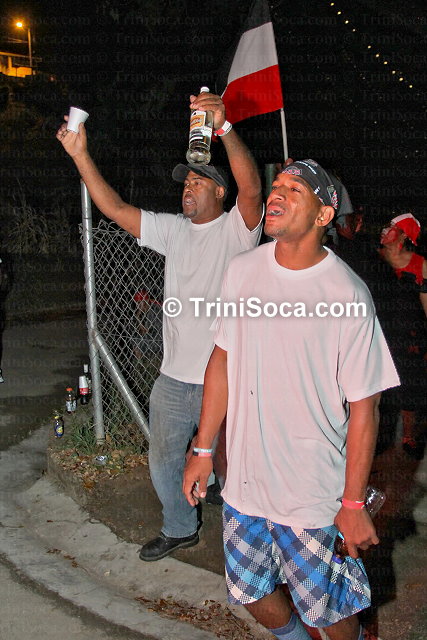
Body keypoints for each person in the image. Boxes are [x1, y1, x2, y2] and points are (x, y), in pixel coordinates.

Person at [184, 159, 400, 640]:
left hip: (310, 492)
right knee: (249, 591)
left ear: (324, 215)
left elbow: (366, 408)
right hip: (244, 486)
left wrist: (352, 502)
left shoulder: (347, 294)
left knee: (329, 609)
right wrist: (202, 449)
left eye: (294, 189)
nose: (276, 194)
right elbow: (221, 360)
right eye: (276, 185)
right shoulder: (242, 271)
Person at [57, 90, 263, 561]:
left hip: (225, 380)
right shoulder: (172, 230)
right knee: (163, 460)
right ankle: (180, 527)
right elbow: (114, 209)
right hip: (172, 380)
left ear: (220, 192)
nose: (188, 187)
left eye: (198, 181)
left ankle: (247, 541)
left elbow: (252, 189)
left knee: (235, 465)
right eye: (185, 181)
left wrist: (225, 128)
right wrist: (80, 155)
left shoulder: (237, 231)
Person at [378, 213, 427, 459]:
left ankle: (408, 436)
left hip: (409, 337)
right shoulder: (374, 259)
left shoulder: (420, 264)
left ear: (404, 235)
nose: (384, 230)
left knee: (410, 385)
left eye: (391, 227)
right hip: (379, 333)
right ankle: (376, 436)